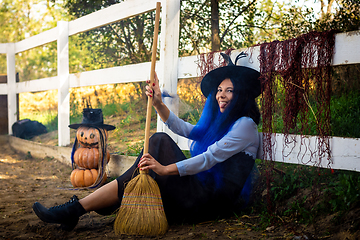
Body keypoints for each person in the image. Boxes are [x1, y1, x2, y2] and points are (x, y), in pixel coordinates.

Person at [32, 52, 261, 231]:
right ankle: (79, 208)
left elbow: (209, 159)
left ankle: (79, 208)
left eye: (229, 91)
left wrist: (164, 169)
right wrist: (159, 103)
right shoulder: (224, 123)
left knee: (159, 142)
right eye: (219, 90)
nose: (221, 95)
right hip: (199, 193)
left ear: (240, 95)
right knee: (154, 148)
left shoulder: (245, 125)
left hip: (209, 203)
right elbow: (189, 130)